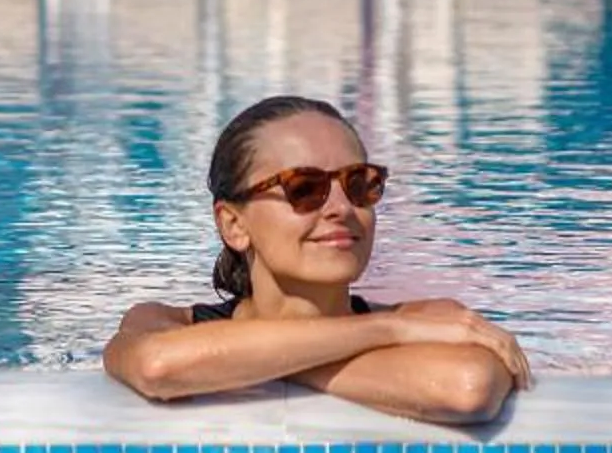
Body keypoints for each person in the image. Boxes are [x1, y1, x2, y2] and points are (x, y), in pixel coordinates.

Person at [103, 94, 531, 427]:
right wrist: (387, 330)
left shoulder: (427, 317)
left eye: (359, 184)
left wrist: (240, 362)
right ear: (234, 224)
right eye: (304, 188)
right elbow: (156, 365)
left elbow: (468, 387)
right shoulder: (165, 321)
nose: (342, 208)